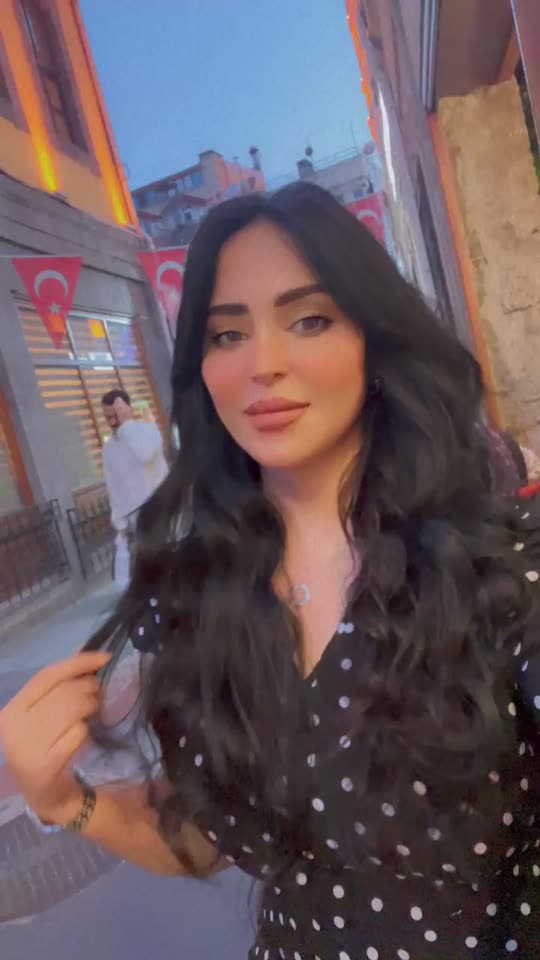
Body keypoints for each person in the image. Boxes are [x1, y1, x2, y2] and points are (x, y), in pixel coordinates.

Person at [1, 183, 540, 959]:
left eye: (309, 320)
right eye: (227, 335)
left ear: (374, 340)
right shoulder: (201, 595)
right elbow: (204, 835)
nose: (263, 364)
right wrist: (64, 799)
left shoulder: (500, 567)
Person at [101, 389, 168, 585]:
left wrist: (126, 425)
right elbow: (113, 487)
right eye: (108, 417)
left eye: (117, 414)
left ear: (128, 410)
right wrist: (119, 524)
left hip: (162, 509)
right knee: (150, 576)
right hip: (136, 522)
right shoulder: (109, 448)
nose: (113, 421)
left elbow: (145, 454)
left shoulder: (148, 430)